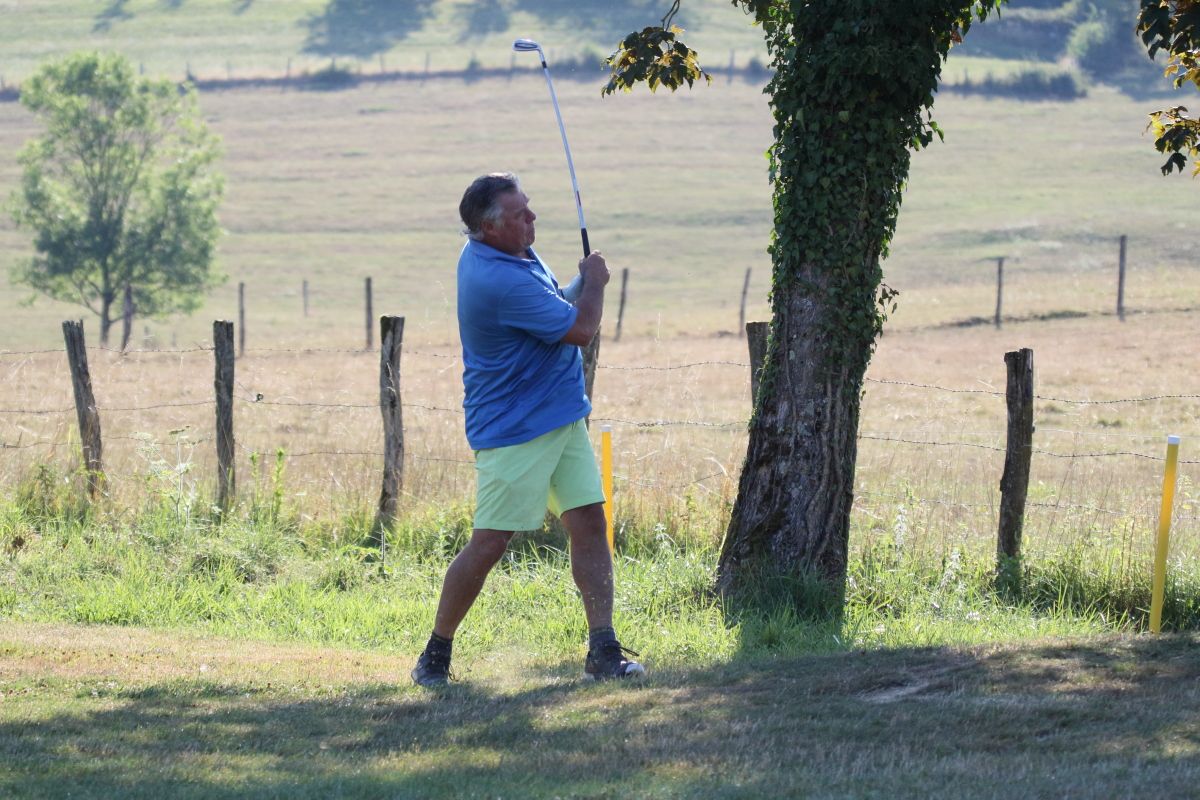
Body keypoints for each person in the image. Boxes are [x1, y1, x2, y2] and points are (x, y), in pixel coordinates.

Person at [411, 172, 645, 687]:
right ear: (490, 228)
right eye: (520, 215)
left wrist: (577, 285)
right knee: (490, 542)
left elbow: (553, 304)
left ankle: (603, 650)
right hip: (515, 428)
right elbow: (579, 329)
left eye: (529, 207)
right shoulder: (499, 280)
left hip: (559, 415)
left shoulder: (513, 253)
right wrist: (595, 283)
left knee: (589, 523)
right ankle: (434, 655)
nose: (533, 218)